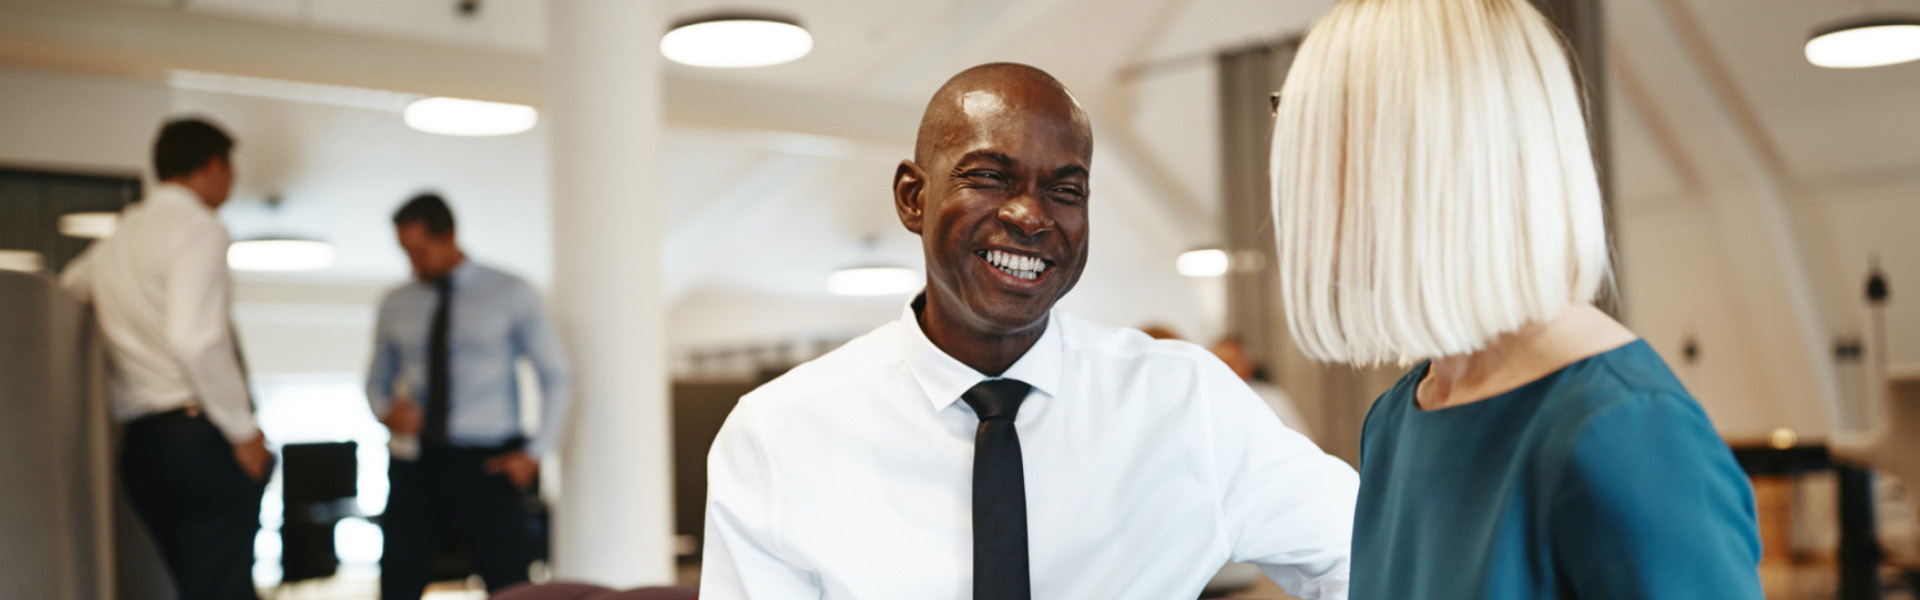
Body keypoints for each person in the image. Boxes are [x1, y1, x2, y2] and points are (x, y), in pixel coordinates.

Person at [701, 63, 1357, 600]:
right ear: (912, 197)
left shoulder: (1187, 402)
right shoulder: (779, 434)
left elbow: (1368, 559)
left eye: (1066, 191)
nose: (1030, 216)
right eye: (989, 177)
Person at [1268, 1, 1763, 598]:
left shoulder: (1625, 434)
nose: (1292, 167)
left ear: (1433, 153)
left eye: (1318, 132)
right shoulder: (1397, 420)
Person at [61, 118, 269, 600]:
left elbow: (69, 288)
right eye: (230, 168)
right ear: (214, 165)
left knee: (194, 587)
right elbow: (196, 339)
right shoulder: (199, 228)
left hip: (141, 448)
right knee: (222, 588)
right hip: (199, 437)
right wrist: (244, 431)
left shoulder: (118, 239)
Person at [365, 193, 572, 599]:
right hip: (416, 462)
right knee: (398, 581)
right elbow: (376, 380)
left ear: (449, 236)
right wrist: (386, 411)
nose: (413, 264)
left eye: (420, 251)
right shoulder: (396, 303)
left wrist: (536, 451)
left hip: (489, 462)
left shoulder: (511, 292)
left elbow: (557, 374)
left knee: (509, 584)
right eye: (406, 253)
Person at [1209, 335, 1312, 437]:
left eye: (1229, 364)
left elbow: (1301, 439)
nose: (1222, 371)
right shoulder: (1203, 400)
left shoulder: (1272, 399)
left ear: (1248, 367)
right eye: (1215, 364)